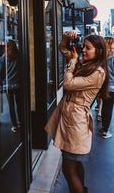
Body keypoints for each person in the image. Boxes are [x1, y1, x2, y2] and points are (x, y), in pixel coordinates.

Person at [45, 31, 109, 193]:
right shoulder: (87, 65)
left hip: (76, 123)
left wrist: (73, 62)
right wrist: (67, 38)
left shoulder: (98, 72)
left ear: (99, 51)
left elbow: (68, 84)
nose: (83, 51)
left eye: (88, 48)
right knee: (75, 164)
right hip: (70, 119)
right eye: (83, 47)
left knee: (69, 168)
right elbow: (62, 48)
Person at [0, 40, 21, 132]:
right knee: (19, 104)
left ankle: (15, 125)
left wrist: (2, 81)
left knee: (11, 106)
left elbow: (0, 71)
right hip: (18, 84)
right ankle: (21, 122)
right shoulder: (19, 55)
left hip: (8, 85)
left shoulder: (4, 57)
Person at [100, 36, 114, 139]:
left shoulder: (101, 57)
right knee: (108, 108)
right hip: (112, 87)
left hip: (103, 86)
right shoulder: (112, 57)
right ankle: (105, 131)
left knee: (105, 107)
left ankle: (104, 127)